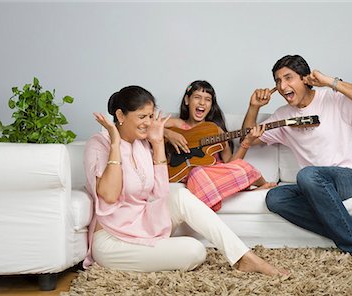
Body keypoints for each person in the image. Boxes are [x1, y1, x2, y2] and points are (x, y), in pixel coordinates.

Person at [83, 85, 288, 275]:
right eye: (142, 116)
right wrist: (116, 144)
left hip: (143, 225)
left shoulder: (142, 143)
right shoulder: (99, 143)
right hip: (113, 240)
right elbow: (109, 195)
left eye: (151, 116)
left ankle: (244, 257)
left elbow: (160, 192)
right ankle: (152, 250)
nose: (148, 122)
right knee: (195, 251)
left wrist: (157, 144)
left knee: (179, 193)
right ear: (120, 115)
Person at [242, 55, 352, 258]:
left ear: (305, 79)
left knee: (308, 175)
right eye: (277, 81)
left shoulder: (332, 99)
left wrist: (330, 82)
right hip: (314, 185)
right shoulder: (283, 115)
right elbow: (250, 140)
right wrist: (254, 107)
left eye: (288, 78)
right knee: (275, 198)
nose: (282, 86)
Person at [164, 80, 277, 211]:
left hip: (213, 175)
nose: (202, 103)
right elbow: (148, 127)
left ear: (211, 105)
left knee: (236, 167)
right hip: (194, 178)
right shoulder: (175, 124)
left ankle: (260, 186)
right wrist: (168, 133)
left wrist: (247, 142)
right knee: (197, 173)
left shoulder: (216, 131)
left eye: (207, 99)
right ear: (187, 100)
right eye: (197, 97)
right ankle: (243, 192)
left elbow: (230, 164)